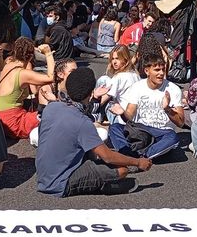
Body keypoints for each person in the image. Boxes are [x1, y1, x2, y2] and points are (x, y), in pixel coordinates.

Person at [36, 67, 152, 197]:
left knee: (96, 156)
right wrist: (138, 162)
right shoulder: (82, 122)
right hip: (60, 183)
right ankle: (102, 186)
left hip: (43, 175)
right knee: (122, 171)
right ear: (91, 93)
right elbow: (107, 156)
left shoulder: (52, 107)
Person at [108, 53, 183, 160]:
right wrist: (122, 113)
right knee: (115, 127)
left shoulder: (173, 89)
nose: (161, 73)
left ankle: (142, 157)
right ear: (147, 71)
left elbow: (181, 123)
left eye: (163, 69)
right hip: (140, 130)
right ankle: (127, 154)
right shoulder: (137, 87)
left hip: (161, 132)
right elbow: (129, 117)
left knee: (173, 137)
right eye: (157, 70)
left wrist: (167, 109)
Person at [0, 38, 54, 139]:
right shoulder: (23, 73)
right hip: (12, 122)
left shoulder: (9, 64)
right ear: (30, 56)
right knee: (52, 115)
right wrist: (48, 54)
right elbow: (51, 77)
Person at [98, 45, 140, 125]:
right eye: (113, 59)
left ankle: (96, 118)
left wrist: (91, 104)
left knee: (102, 80)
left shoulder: (119, 77)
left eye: (117, 59)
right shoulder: (136, 75)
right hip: (135, 118)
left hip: (122, 119)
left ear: (125, 59)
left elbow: (103, 99)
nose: (114, 62)